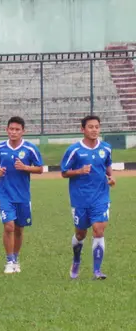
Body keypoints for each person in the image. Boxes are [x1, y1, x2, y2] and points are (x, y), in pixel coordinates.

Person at [60, 115, 115, 280]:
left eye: (97, 127)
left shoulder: (106, 148)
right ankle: (76, 260)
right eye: (90, 127)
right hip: (80, 199)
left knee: (98, 230)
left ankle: (97, 271)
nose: (94, 130)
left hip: (101, 197)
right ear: (82, 129)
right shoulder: (74, 150)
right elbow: (64, 172)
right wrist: (79, 171)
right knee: (80, 234)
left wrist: (111, 177)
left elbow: (107, 165)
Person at [0, 117, 44, 274]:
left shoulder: (30, 149)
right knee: (9, 226)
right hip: (4, 194)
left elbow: (40, 168)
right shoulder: (0, 147)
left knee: (19, 229)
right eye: (11, 129)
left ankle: (16, 258)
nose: (14, 132)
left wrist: (25, 167)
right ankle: (9, 261)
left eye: (17, 129)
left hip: (22, 195)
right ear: (7, 130)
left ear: (23, 131)